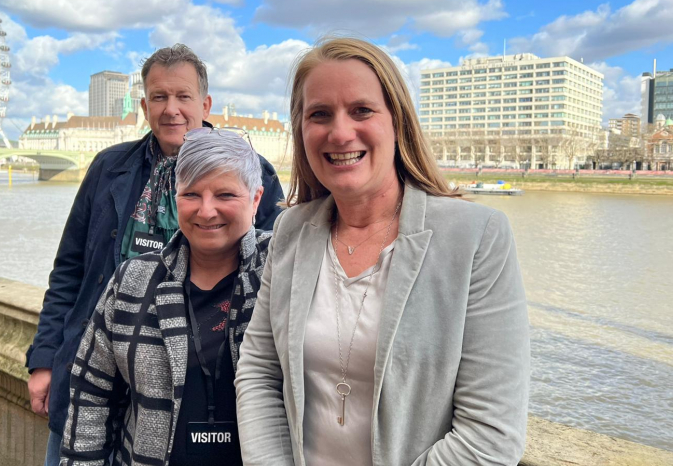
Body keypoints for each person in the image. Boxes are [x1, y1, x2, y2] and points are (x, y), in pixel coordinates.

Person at [234, 37, 530, 465]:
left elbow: (491, 434)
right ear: (301, 131)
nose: (339, 132)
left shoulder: (477, 236)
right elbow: (260, 370)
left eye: (362, 110)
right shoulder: (290, 231)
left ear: (398, 122)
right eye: (319, 114)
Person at [26, 44, 284, 466]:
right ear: (144, 105)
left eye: (183, 97)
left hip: (207, 375)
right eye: (159, 98)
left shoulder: (253, 170)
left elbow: (272, 268)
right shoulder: (108, 167)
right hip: (102, 362)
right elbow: (70, 270)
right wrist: (44, 358)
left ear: (205, 103)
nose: (171, 110)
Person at [60, 128, 271, 465]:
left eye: (225, 195)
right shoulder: (132, 281)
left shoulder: (282, 273)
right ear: (175, 197)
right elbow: (91, 396)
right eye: (191, 195)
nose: (206, 210)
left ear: (256, 199)